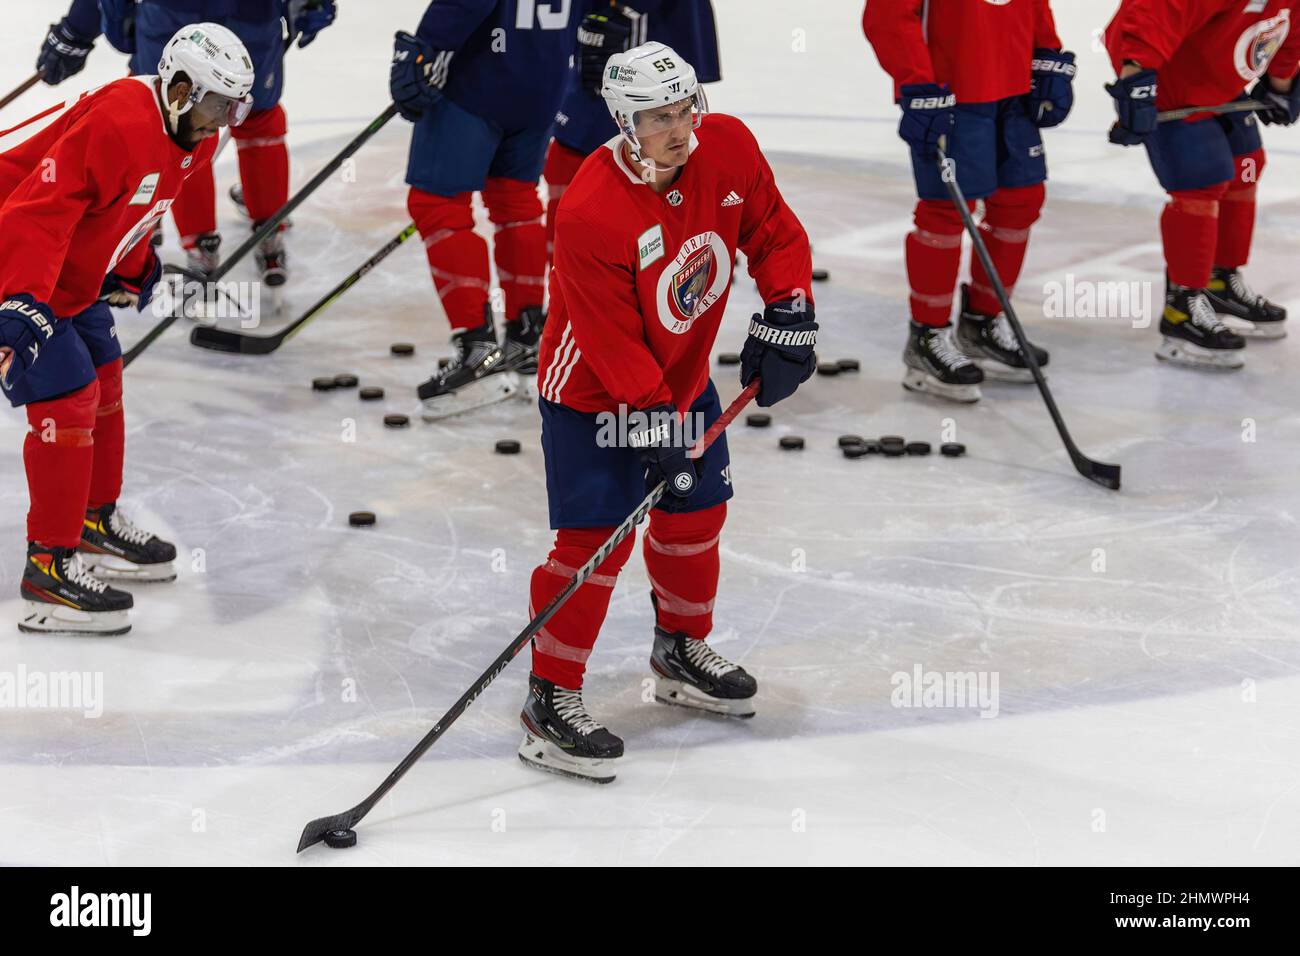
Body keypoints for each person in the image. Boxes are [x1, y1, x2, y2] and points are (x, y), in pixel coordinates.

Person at [517, 42, 817, 782]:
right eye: (657, 117)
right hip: (591, 393)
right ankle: (549, 698)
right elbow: (608, 337)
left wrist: (791, 305)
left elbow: (773, 229)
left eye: (685, 109)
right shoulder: (591, 206)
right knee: (593, 546)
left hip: (680, 381)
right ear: (624, 122)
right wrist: (651, 421)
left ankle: (679, 649)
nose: (679, 130)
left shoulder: (730, 149)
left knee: (696, 514)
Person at [0, 22, 253, 635]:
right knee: (67, 392)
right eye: (219, 103)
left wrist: (134, 265)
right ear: (182, 87)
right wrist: (20, 304)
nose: (225, 119)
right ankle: (48, 572)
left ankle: (92, 521)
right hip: (16, 250)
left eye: (235, 107)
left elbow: (136, 201)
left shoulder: (192, 136)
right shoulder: (121, 121)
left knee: (105, 377)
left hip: (62, 264)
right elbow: (39, 209)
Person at [863, 0, 1073, 403]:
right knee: (946, 210)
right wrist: (916, 81)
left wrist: (1047, 52)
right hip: (949, 92)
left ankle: (983, 323)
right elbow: (886, 15)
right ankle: (927, 338)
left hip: (1015, 87)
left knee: (1021, 200)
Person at [389, 0, 585, 420]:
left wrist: (427, 46)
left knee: (437, 202)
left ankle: (477, 348)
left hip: (480, 81)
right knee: (516, 201)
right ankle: (528, 339)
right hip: (545, 78)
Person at [1105, 0, 1300, 369]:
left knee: (1246, 166)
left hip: (1217, 72)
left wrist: (1281, 82)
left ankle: (1218, 282)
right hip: (1169, 74)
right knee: (1200, 182)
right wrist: (1136, 81)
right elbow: (1152, 13)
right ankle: (1182, 308)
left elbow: (1286, 23)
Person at [99, 0, 336, 286]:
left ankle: (201, 248)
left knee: (180, 124)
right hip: (251, 20)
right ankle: (269, 233)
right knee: (256, 117)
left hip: (173, 21)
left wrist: (104, 18)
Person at [542, 1, 720, 270]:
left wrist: (623, 9)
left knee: (652, 145)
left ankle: (675, 260)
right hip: (612, 23)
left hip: (633, 28)